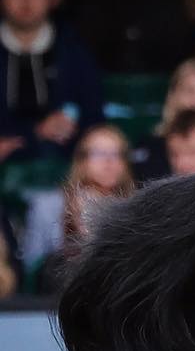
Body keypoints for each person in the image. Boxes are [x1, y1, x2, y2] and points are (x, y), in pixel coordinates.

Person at [0, 0, 105, 167]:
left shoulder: (74, 49)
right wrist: (35, 131)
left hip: (65, 160)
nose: (26, 1)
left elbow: (94, 114)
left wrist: (65, 129)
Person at [31, 123, 134, 293]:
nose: (109, 161)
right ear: (82, 160)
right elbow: (33, 265)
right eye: (99, 153)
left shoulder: (136, 206)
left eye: (116, 154)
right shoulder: (48, 205)